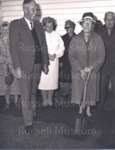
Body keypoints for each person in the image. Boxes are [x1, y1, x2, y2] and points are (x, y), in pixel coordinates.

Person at [9, 0, 49, 133]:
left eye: (36, 9)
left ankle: (33, 113)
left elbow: (43, 45)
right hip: (24, 66)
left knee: (33, 92)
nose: (35, 12)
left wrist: (45, 62)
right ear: (25, 10)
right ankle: (28, 123)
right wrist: (17, 67)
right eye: (33, 10)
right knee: (25, 94)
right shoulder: (16, 25)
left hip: (37, 64)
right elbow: (13, 48)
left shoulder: (38, 25)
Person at [69, 12, 105, 116]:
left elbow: (102, 55)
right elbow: (72, 56)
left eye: (89, 23)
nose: (87, 25)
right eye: (85, 23)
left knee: (91, 89)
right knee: (80, 89)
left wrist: (92, 67)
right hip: (79, 70)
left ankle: (88, 109)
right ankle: (81, 108)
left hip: (92, 70)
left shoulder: (98, 38)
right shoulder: (75, 39)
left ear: (93, 25)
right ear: (81, 24)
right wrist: (80, 69)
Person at [38, 17, 65, 106]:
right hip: (43, 61)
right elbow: (38, 48)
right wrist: (46, 55)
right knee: (43, 81)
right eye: (48, 27)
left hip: (54, 62)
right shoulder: (40, 35)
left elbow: (62, 48)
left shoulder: (57, 35)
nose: (50, 28)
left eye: (51, 26)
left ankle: (50, 100)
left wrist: (55, 54)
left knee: (52, 81)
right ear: (44, 26)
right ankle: (44, 100)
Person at [0, 21, 20, 110]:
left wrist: (13, 60)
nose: (5, 32)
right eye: (3, 30)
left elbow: (18, 52)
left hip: (14, 64)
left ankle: (16, 102)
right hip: (3, 66)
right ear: (1, 30)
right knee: (5, 84)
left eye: (7, 30)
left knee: (15, 84)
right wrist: (3, 59)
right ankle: (7, 103)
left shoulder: (14, 40)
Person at [96, 12, 115, 109]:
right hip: (103, 65)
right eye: (107, 20)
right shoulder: (99, 31)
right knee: (101, 88)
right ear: (104, 20)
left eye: (111, 19)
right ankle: (100, 107)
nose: (109, 22)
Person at [59, 20, 76, 98]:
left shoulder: (77, 38)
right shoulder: (62, 38)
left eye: (67, 27)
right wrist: (61, 61)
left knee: (74, 75)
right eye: (65, 27)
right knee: (65, 76)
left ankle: (74, 92)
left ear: (72, 28)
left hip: (75, 60)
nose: (66, 28)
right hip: (65, 60)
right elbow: (60, 50)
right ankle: (66, 92)